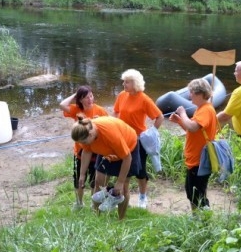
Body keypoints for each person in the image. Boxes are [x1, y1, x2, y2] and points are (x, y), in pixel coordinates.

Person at [71, 115, 141, 220]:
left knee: (123, 187)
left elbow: (127, 158)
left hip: (128, 149)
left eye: (83, 142)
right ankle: (96, 217)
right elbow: (86, 150)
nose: (81, 144)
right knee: (98, 182)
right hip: (106, 151)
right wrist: (82, 174)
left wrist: (120, 182)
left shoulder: (110, 135)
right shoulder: (85, 133)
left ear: (90, 135)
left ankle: (120, 220)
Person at [113, 69, 164, 209]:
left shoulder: (144, 99)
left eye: (127, 82)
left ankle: (143, 198)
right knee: (124, 170)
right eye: (124, 81)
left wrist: (151, 133)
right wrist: (116, 125)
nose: (124, 84)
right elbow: (116, 111)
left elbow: (159, 117)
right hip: (123, 138)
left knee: (140, 172)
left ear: (135, 83)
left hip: (138, 140)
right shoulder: (122, 95)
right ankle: (124, 200)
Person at [169, 78, 218, 211]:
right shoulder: (201, 109)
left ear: (199, 93)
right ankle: (198, 218)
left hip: (199, 160)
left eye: (191, 92)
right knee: (193, 192)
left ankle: (203, 221)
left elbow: (193, 127)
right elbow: (193, 131)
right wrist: (180, 121)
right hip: (196, 159)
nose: (189, 95)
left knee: (196, 193)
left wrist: (183, 113)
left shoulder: (206, 110)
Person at [59, 85, 108, 209]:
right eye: (86, 97)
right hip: (80, 150)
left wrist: (99, 121)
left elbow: (108, 126)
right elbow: (62, 105)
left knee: (94, 181)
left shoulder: (100, 110)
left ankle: (93, 203)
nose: (90, 99)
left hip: (96, 151)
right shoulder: (76, 110)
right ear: (80, 99)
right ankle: (79, 203)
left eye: (91, 96)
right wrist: (75, 95)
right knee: (79, 180)